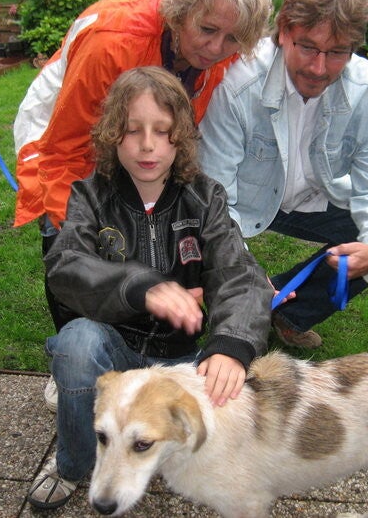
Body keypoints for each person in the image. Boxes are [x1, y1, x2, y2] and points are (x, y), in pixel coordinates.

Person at [25, 66, 273, 510]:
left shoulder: (206, 197)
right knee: (75, 345)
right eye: (132, 129)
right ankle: (73, 465)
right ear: (111, 134)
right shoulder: (89, 196)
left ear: (181, 138)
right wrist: (141, 286)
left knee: (236, 379)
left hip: (183, 357)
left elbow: (238, 273)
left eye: (162, 131)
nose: (147, 144)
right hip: (116, 349)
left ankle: (179, 452)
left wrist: (231, 344)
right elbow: (65, 266)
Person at [13, 0, 271, 333]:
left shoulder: (225, 52)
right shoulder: (113, 42)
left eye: (232, 39)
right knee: (73, 226)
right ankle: (73, 333)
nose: (216, 48)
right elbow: (65, 152)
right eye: (207, 30)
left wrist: (242, 273)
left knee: (137, 219)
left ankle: (136, 327)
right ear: (181, 12)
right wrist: (70, 233)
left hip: (134, 140)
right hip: (66, 133)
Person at [199, 0, 368, 348]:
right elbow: (211, 197)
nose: (319, 68)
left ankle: (287, 311)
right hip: (244, 200)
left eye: (337, 52)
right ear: (284, 33)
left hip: (314, 199)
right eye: (308, 47)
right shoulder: (238, 84)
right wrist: (246, 273)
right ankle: (244, 299)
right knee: (206, 237)